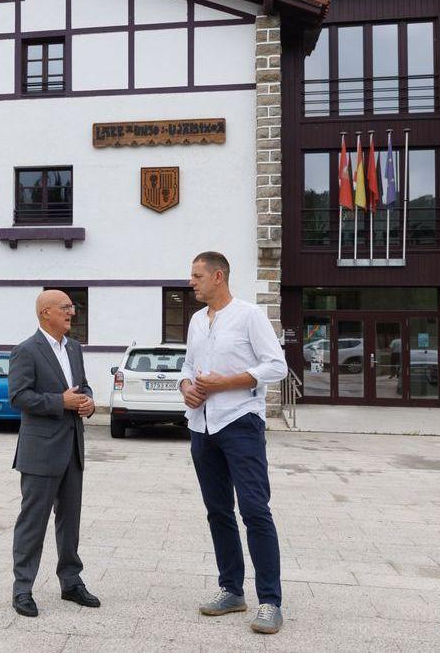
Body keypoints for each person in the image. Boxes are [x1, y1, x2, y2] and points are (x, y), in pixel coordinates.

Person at [178, 251, 288, 634]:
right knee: (218, 511)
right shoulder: (196, 320)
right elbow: (189, 366)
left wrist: (226, 383)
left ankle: (270, 601)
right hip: (202, 427)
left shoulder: (249, 315)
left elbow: (277, 365)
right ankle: (232, 591)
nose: (191, 282)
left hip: (240, 423)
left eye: (196, 275)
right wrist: (186, 387)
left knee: (255, 510)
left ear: (218, 276)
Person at [7, 289, 98, 617]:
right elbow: (18, 396)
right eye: (65, 308)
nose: (71, 313)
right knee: (33, 522)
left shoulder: (74, 348)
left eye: (72, 308)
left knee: (70, 520)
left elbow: (82, 386)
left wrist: (87, 400)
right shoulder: (26, 351)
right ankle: (22, 589)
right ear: (46, 313)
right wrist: (60, 402)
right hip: (40, 451)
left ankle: (71, 582)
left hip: (72, 449)